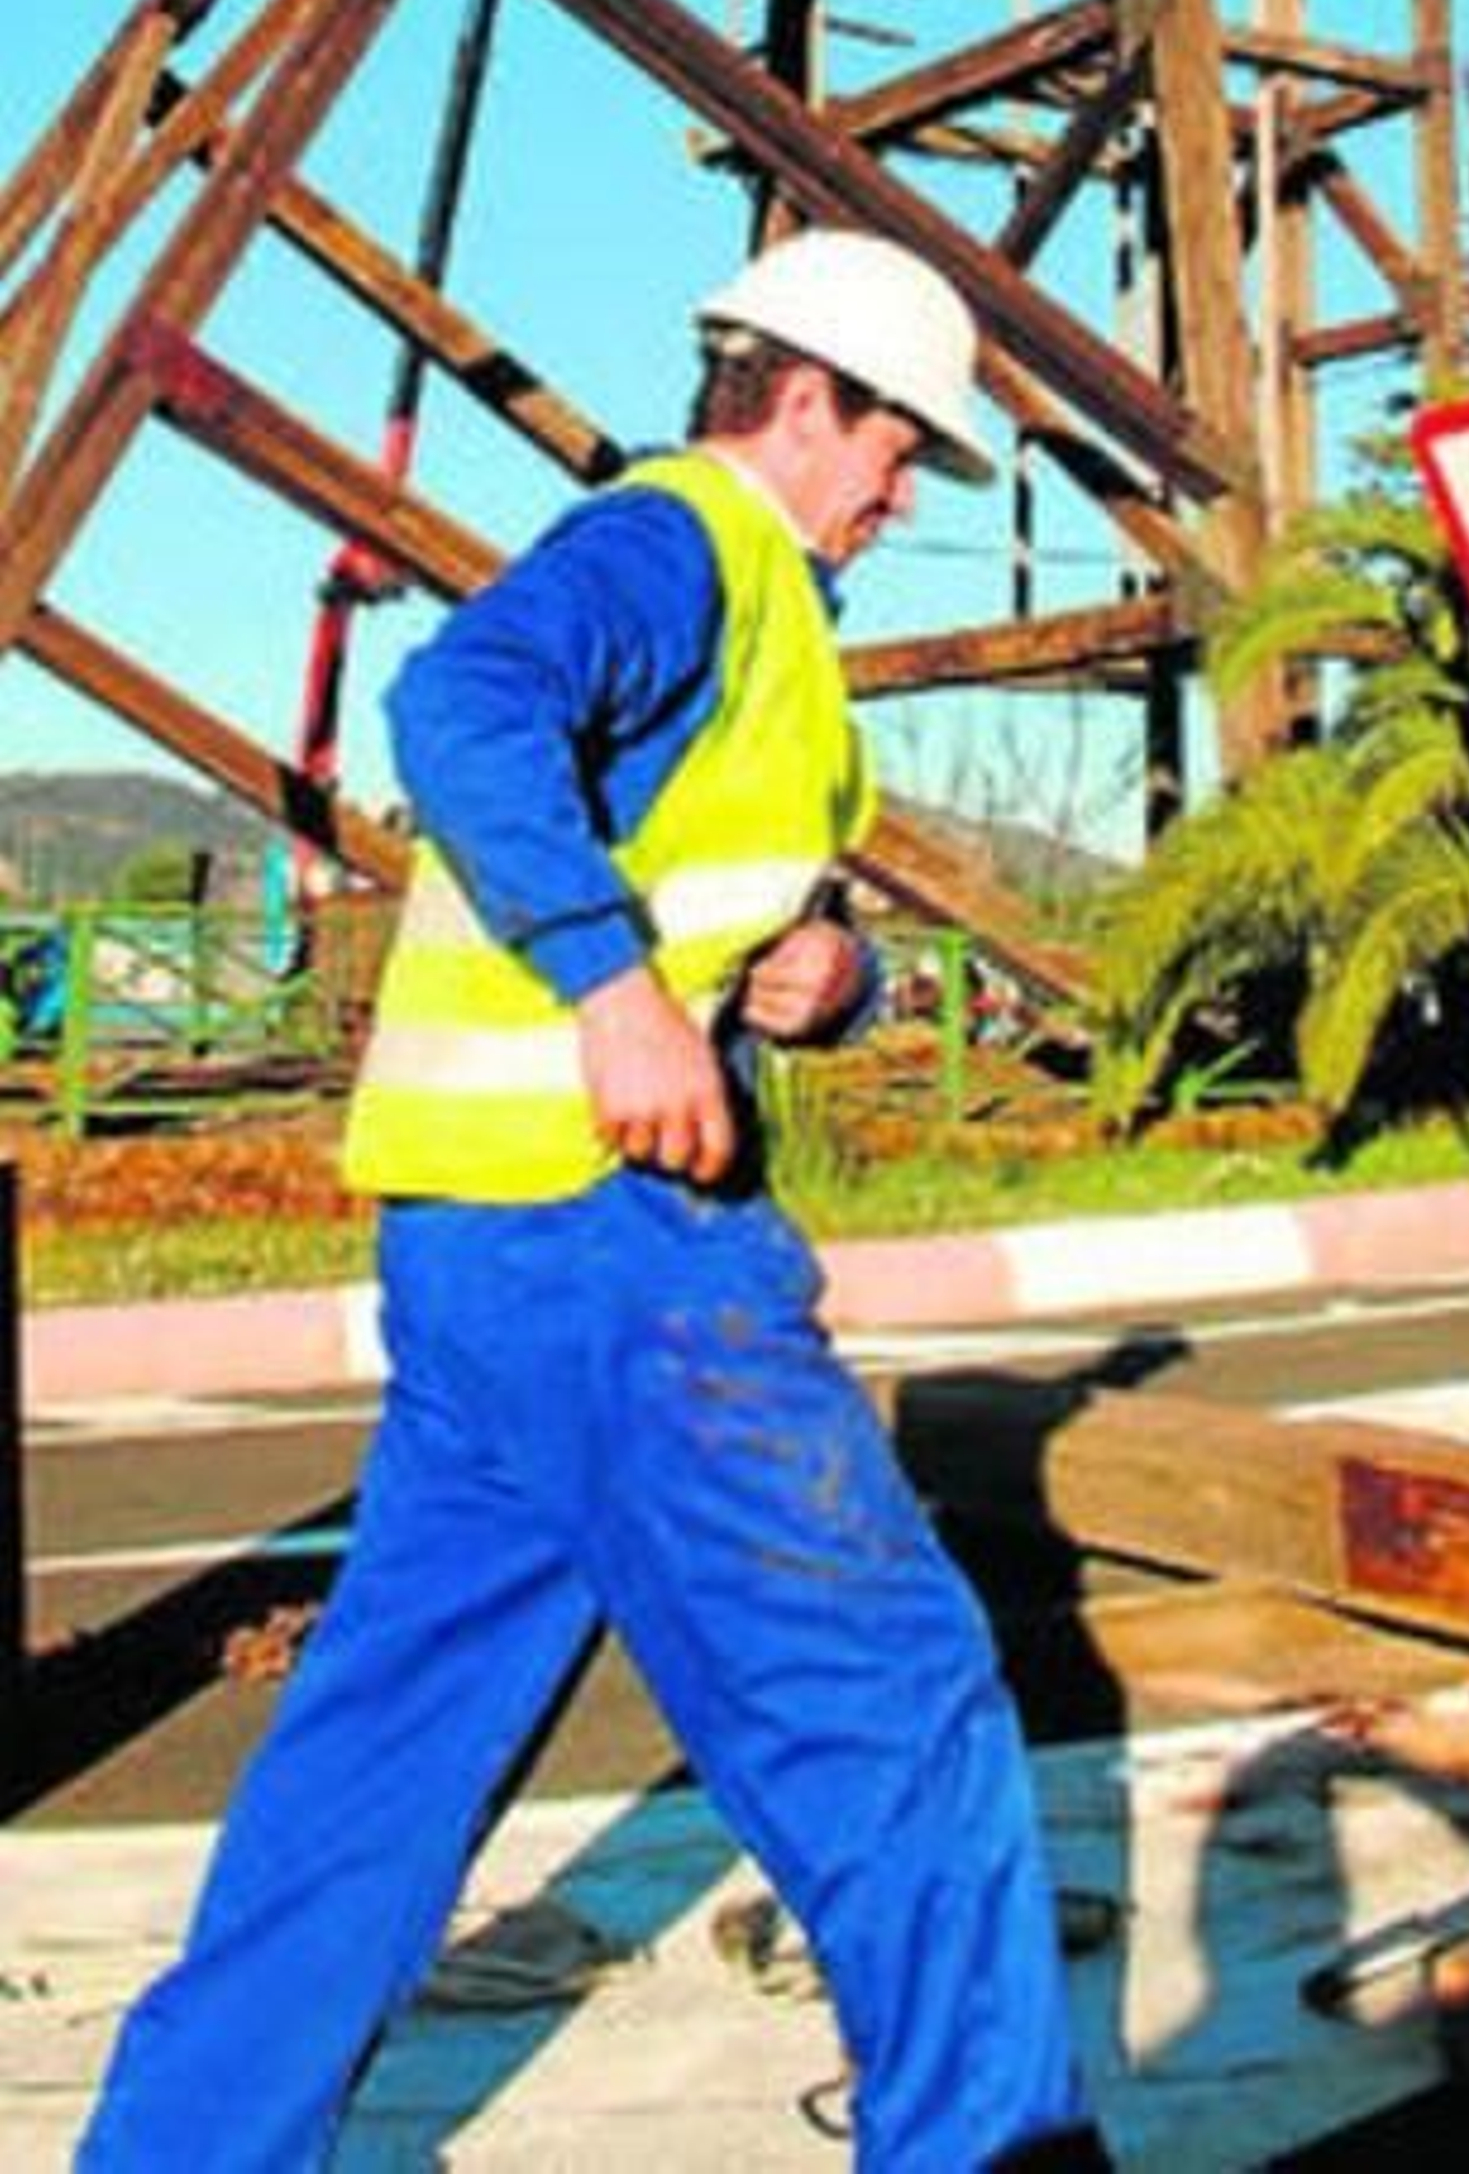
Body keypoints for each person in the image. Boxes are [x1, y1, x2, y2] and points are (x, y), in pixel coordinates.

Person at [81, 228, 1110, 2173]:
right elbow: (460, 705)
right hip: (621, 1257)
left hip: (482, 1249)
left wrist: (829, 973)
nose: (910, 491)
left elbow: (727, 886)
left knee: (382, 1752)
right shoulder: (684, 542)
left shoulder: (753, 607)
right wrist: (620, 993)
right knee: (889, 1706)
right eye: (900, 448)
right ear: (798, 398)